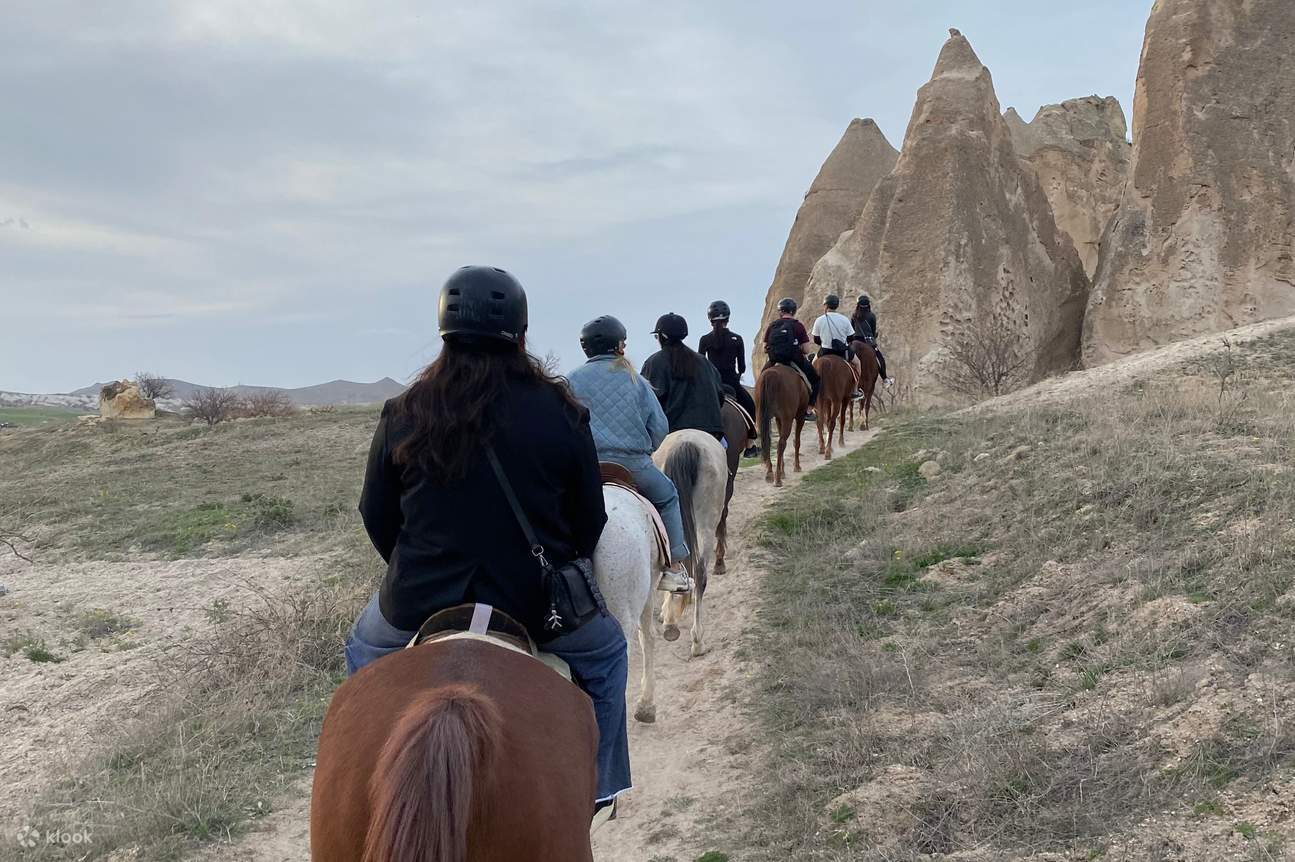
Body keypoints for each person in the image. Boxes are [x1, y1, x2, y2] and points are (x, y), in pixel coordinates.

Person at [344, 265, 630, 815]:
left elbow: (374, 513)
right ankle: (601, 786)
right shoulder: (562, 413)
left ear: (444, 332)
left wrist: (409, 568)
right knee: (608, 653)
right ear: (521, 336)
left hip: (419, 597)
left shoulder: (403, 412)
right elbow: (589, 520)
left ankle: (362, 776)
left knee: (365, 649)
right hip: (532, 601)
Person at [566, 315, 694, 594]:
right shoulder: (635, 380)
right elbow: (660, 427)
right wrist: (646, 448)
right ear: (619, 346)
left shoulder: (569, 381)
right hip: (632, 464)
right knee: (668, 495)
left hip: (584, 468)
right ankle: (673, 568)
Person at [640, 312, 727, 440]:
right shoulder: (704, 362)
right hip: (711, 433)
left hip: (671, 432)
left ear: (662, 336)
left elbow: (646, 403)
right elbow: (720, 396)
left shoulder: (653, 363)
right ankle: (750, 443)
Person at [698, 300, 759, 458]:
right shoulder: (737, 339)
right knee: (750, 407)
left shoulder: (705, 340)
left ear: (710, 319)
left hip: (713, 384)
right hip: (731, 384)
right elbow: (743, 366)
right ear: (728, 319)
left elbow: (701, 364)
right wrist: (737, 376)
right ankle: (750, 445)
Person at [762, 297, 819, 420]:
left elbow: (765, 347)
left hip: (774, 360)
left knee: (761, 381)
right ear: (793, 311)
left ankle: (761, 408)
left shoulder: (772, 325)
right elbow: (806, 350)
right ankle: (808, 410)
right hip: (794, 359)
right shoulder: (798, 326)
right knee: (816, 380)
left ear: (780, 311)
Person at [811, 294, 865, 400]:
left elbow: (816, 340)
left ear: (826, 306)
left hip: (825, 351)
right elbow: (851, 338)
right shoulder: (844, 319)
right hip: (842, 351)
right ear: (836, 306)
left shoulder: (819, 320)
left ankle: (811, 390)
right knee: (858, 363)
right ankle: (855, 389)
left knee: (812, 366)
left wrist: (824, 341)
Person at [851, 294, 894, 387]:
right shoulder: (871, 316)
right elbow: (873, 331)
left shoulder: (854, 316)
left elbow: (851, 330)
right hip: (868, 341)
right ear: (868, 305)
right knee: (879, 358)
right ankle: (885, 379)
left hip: (855, 340)